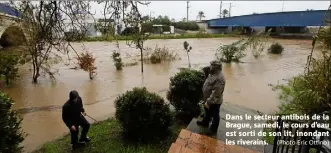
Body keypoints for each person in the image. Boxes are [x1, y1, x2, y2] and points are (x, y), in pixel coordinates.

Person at [197, 60, 225, 134]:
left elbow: (216, 93)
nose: (210, 67)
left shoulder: (220, 78)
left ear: (216, 67)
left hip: (214, 101)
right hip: (207, 99)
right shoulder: (212, 73)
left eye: (212, 65)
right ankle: (205, 123)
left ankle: (213, 129)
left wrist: (208, 101)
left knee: (215, 115)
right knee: (207, 112)